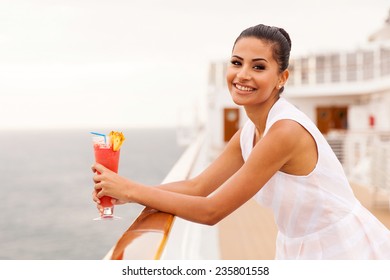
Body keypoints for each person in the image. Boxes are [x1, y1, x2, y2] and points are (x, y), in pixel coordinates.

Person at [92, 24, 390, 259]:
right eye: (237, 62)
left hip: (342, 249)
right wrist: (127, 194)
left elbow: (211, 210)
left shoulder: (285, 131)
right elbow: (198, 187)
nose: (243, 75)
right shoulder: (249, 132)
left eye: (258, 67)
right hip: (298, 246)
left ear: (281, 77)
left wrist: (132, 190)